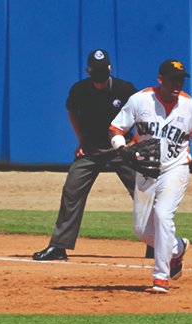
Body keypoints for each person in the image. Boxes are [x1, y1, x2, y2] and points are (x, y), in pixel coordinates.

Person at [33, 49, 148, 261]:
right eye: (95, 69)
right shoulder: (79, 90)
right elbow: (71, 111)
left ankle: (155, 243)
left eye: (103, 69)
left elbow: (144, 115)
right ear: (88, 70)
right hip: (91, 149)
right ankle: (59, 247)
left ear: (110, 69)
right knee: (72, 191)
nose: (99, 73)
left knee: (144, 190)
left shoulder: (124, 89)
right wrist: (81, 140)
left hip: (120, 148)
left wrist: (135, 141)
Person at [109, 59, 192, 293]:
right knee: (141, 231)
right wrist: (121, 148)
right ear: (160, 79)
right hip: (146, 170)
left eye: (181, 79)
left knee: (163, 216)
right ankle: (177, 247)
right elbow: (116, 128)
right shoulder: (140, 100)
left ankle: (160, 278)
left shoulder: (191, 107)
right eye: (173, 79)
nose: (177, 84)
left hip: (176, 169)